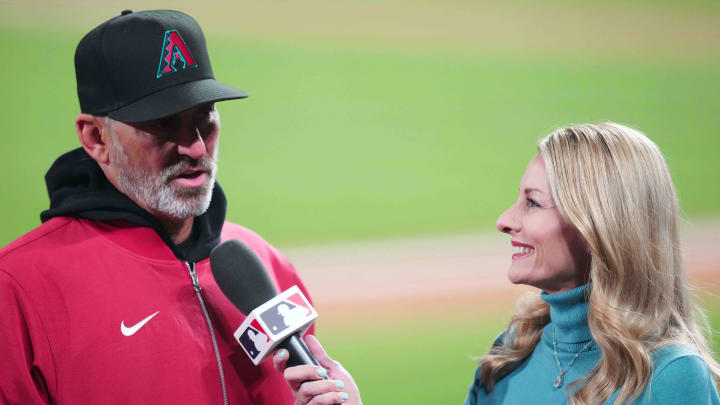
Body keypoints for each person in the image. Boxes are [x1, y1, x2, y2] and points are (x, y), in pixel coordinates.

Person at [275, 123, 720, 404]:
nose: (505, 220)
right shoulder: (514, 351)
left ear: (596, 227)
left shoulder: (671, 377)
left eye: (533, 203)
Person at [0, 10, 314, 404]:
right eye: (164, 124)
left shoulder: (262, 265)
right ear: (96, 137)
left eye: (206, 118)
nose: (196, 147)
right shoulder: (19, 288)